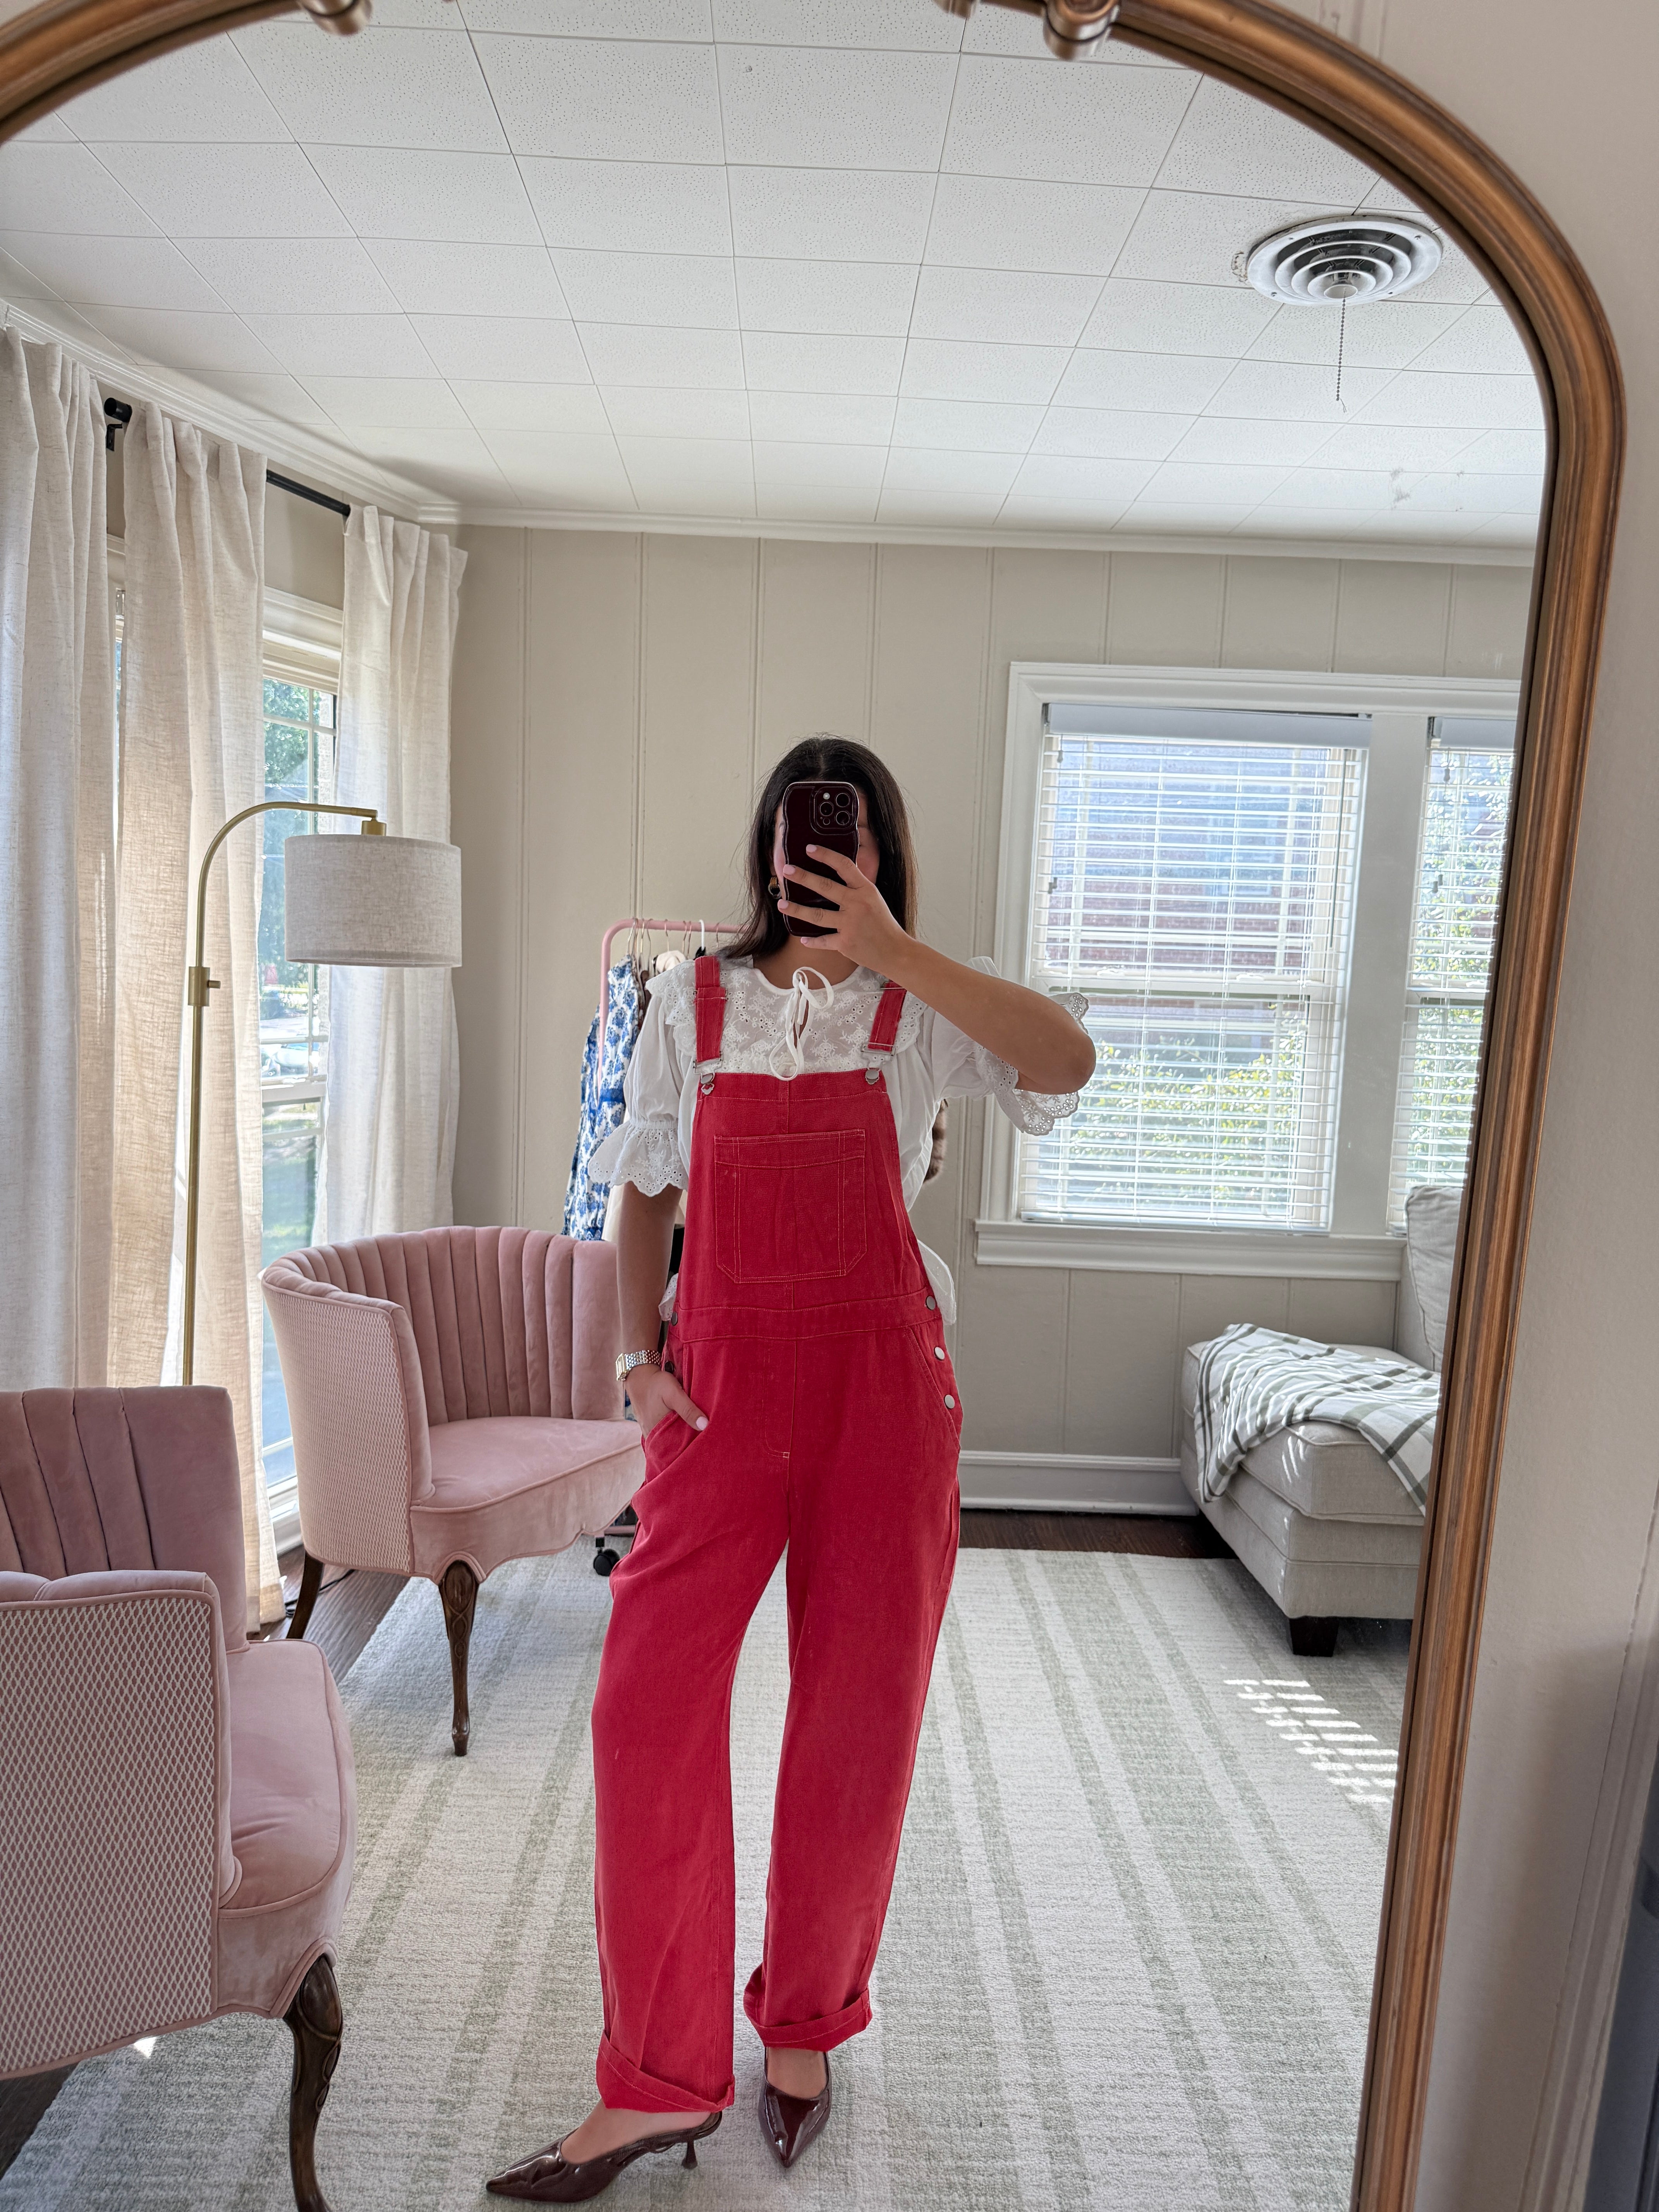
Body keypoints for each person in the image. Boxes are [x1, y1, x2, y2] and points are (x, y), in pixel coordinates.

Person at [487, 736, 1094, 2203]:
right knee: (643, 1709)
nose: (815, 850)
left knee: (855, 1721)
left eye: (848, 830)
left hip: (883, 1400)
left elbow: (1066, 1062)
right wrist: (633, 1362)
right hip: (715, 1398)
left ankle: (807, 2021)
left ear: (881, 852)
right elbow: (642, 1191)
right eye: (795, 828)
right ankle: (656, 2079)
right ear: (766, 847)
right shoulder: (689, 1001)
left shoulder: (921, 1003)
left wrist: (899, 949)